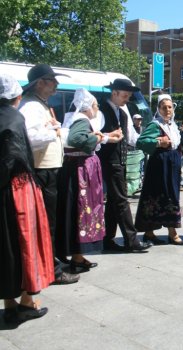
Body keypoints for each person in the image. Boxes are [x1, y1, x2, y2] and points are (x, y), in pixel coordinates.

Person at [19, 63, 80, 284]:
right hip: (42, 172)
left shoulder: (39, 105)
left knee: (49, 221)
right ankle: (50, 269)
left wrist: (56, 131)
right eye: (52, 80)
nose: (56, 84)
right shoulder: (31, 107)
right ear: (40, 83)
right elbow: (29, 139)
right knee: (46, 223)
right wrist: (52, 130)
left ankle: (50, 263)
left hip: (48, 171)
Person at [0, 74, 54, 323]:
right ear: (17, 97)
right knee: (25, 242)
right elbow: (19, 154)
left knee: (4, 245)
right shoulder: (16, 116)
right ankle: (26, 301)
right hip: (17, 188)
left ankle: (8, 303)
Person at [55, 89, 119, 273]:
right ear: (89, 106)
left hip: (76, 170)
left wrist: (106, 137)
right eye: (96, 106)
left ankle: (76, 255)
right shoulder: (82, 120)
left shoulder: (73, 119)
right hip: (81, 172)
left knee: (77, 212)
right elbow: (77, 139)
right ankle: (77, 255)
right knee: (83, 210)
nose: (97, 109)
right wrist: (98, 137)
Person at [96, 78, 152, 252]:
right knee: (121, 200)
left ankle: (108, 239)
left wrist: (151, 143)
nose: (127, 99)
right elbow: (94, 134)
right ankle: (132, 240)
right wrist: (108, 136)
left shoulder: (122, 112)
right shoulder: (101, 111)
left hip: (120, 160)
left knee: (114, 201)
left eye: (128, 96)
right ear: (114, 93)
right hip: (108, 161)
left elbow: (131, 138)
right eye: (125, 95)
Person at [134, 94, 183, 246]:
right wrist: (158, 142)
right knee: (155, 196)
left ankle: (168, 231)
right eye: (164, 107)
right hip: (159, 166)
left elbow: (176, 143)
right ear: (159, 109)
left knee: (172, 195)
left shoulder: (173, 126)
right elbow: (141, 142)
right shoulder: (155, 125)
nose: (167, 109)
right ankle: (154, 232)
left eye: (170, 107)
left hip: (173, 164)